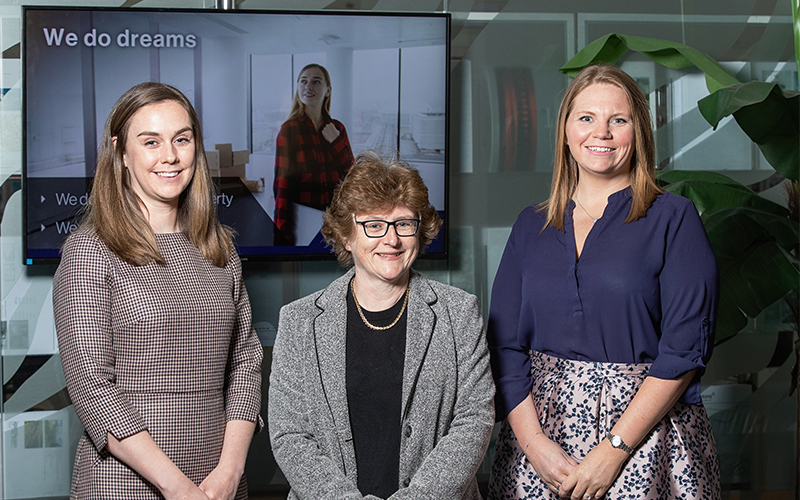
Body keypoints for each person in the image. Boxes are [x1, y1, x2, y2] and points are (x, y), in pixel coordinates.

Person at [487, 64, 721, 500]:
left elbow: (685, 347)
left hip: (647, 440)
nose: (602, 133)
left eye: (619, 119)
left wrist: (613, 450)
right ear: (565, 131)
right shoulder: (529, 226)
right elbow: (504, 346)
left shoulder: (674, 219)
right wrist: (534, 446)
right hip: (540, 443)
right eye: (587, 118)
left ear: (639, 132)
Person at [53, 82, 263, 500]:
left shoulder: (218, 246)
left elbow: (246, 363)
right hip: (127, 483)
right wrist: (179, 489)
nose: (170, 156)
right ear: (121, 152)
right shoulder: (90, 251)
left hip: (217, 483)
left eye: (181, 139)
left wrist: (230, 471)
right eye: (151, 141)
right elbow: (93, 388)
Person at [268, 151, 495, 499]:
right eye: (374, 225)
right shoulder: (299, 321)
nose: (391, 239)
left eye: (404, 223)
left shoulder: (460, 312)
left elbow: (474, 420)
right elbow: (290, 435)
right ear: (346, 235)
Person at [273, 63, 355, 245]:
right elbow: (282, 188)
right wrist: (281, 239)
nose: (308, 86)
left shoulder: (337, 128)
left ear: (328, 90)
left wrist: (336, 142)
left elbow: (352, 177)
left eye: (316, 82)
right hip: (304, 227)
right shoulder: (289, 130)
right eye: (303, 81)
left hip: (338, 225)